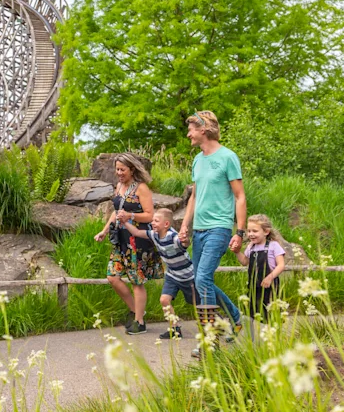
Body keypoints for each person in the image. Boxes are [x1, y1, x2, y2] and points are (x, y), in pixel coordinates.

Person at [177, 110, 245, 350]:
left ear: (203, 129)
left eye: (191, 130)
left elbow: (239, 196)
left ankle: (210, 337)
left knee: (203, 277)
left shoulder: (228, 157)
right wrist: (185, 225)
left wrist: (240, 232)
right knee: (199, 280)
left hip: (220, 227)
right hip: (200, 230)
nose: (188, 134)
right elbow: (194, 196)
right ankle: (235, 317)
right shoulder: (198, 160)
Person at [94, 153, 161, 335]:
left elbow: (149, 215)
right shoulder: (119, 186)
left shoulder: (141, 188)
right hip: (120, 240)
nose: (119, 173)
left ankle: (139, 322)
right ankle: (136, 310)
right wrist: (104, 231)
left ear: (132, 169)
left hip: (137, 240)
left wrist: (131, 216)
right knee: (113, 276)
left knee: (136, 281)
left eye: (122, 169)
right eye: (117, 169)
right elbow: (116, 212)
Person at [122, 207, 196, 341]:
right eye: (153, 220)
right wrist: (124, 221)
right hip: (172, 275)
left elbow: (184, 243)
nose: (153, 223)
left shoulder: (173, 237)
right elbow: (137, 232)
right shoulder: (154, 235)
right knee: (164, 300)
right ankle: (175, 329)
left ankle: (214, 320)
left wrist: (185, 239)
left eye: (156, 221)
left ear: (166, 224)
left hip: (187, 276)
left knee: (197, 302)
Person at [232, 214, 286, 320]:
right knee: (251, 313)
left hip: (270, 286)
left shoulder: (273, 245)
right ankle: (252, 335)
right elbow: (244, 261)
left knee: (271, 314)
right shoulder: (251, 247)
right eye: (249, 231)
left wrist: (270, 277)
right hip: (254, 286)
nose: (251, 234)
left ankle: (272, 334)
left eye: (255, 231)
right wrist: (237, 252)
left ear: (266, 231)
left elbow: (281, 265)